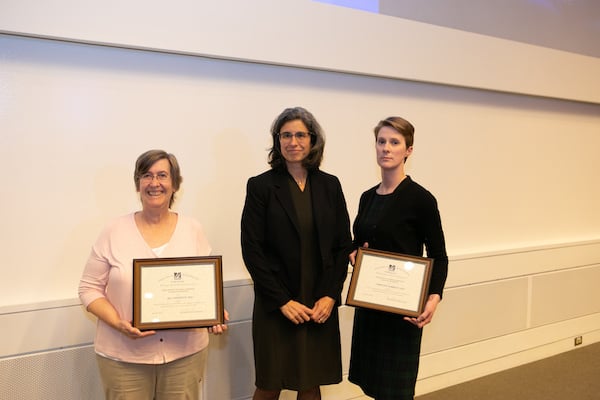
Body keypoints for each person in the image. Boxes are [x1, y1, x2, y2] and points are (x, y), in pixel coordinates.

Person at [78, 149, 228, 400]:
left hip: (185, 356)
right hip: (124, 358)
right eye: (146, 175)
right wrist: (118, 323)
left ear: (175, 184)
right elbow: (88, 289)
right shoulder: (113, 230)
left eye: (162, 175)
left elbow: (205, 285)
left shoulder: (193, 229)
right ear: (138, 184)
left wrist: (214, 312)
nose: (154, 183)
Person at [241, 107, 353, 400]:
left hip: (318, 300)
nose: (293, 141)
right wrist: (282, 301)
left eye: (300, 135)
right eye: (286, 135)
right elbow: (251, 249)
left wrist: (330, 295)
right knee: (270, 382)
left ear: (312, 139)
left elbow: (343, 245)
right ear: (277, 141)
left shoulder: (330, 185)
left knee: (310, 380)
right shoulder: (261, 186)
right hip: (277, 302)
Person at [348, 117, 449, 400]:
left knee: (396, 392)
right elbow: (358, 243)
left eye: (395, 142)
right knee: (374, 387)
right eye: (381, 142)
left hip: (402, 309)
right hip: (371, 305)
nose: (386, 148)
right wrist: (354, 253)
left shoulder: (421, 199)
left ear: (409, 150)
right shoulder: (367, 197)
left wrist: (434, 297)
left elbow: (439, 256)